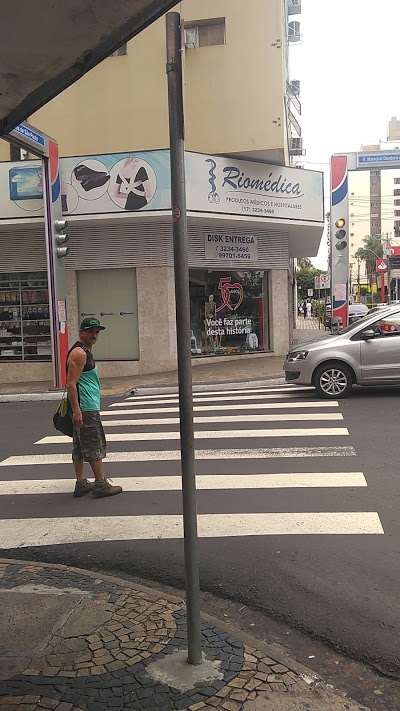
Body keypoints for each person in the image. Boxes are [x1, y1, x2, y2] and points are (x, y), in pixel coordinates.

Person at [67, 317, 123, 498]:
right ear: (81, 332)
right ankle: (100, 484)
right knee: (94, 445)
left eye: (97, 332)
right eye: (90, 331)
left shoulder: (84, 351)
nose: (94, 335)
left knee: (79, 446)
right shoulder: (79, 353)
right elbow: (71, 384)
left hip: (85, 407)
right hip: (86, 408)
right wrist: (77, 410)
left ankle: (81, 483)